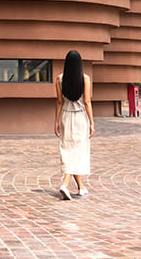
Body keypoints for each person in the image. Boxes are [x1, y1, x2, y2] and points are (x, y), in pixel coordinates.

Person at [54, 49, 94, 199]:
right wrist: (92, 122)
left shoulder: (59, 79)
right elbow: (87, 102)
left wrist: (56, 121)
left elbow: (59, 102)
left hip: (65, 116)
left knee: (68, 149)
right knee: (78, 150)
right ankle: (65, 184)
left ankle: (81, 187)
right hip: (80, 117)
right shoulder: (85, 79)